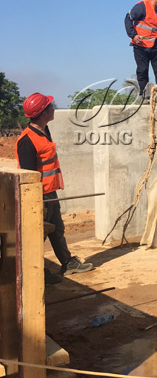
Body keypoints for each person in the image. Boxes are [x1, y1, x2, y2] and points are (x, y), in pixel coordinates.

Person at [15, 93, 94, 284]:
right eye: (50, 107)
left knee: (57, 229)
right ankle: (34, 272)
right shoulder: (27, 141)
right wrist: (36, 202)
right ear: (43, 113)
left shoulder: (44, 130)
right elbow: (28, 176)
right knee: (37, 235)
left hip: (50, 193)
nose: (53, 108)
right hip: (38, 197)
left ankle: (68, 263)